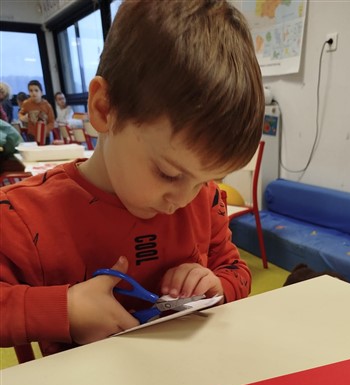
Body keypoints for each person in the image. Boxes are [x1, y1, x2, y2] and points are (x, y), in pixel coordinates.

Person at [0, 0, 264, 357]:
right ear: (104, 109)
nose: (183, 199)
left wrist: (216, 284)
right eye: (169, 173)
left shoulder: (204, 201)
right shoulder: (23, 216)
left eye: (204, 180)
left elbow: (236, 271)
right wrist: (65, 309)